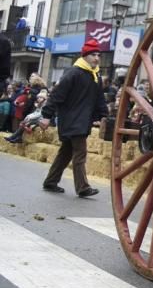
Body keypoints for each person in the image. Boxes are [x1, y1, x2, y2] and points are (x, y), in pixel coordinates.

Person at [38, 38, 108, 198]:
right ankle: (82, 187)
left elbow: (99, 99)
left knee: (66, 152)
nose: (97, 58)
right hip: (72, 120)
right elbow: (56, 95)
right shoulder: (73, 73)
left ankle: (50, 181)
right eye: (93, 55)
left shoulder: (95, 76)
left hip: (81, 120)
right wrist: (46, 116)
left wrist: (104, 115)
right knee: (80, 152)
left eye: (98, 55)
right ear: (84, 56)